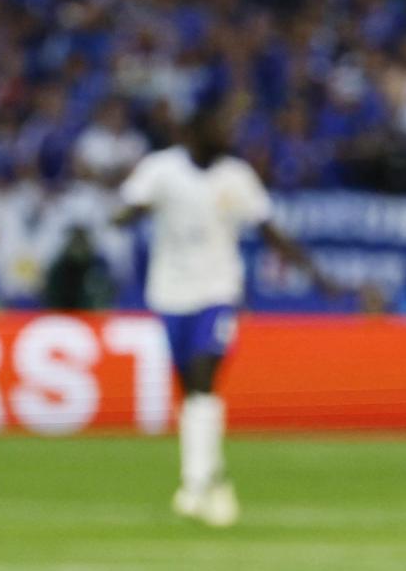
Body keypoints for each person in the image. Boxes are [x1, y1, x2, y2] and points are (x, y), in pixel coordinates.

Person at [114, 109, 333, 527]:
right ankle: (214, 480)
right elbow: (130, 205)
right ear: (194, 131)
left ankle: (193, 484)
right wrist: (124, 214)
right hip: (170, 293)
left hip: (218, 292)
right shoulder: (162, 169)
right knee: (191, 389)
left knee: (203, 378)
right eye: (218, 126)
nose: (225, 133)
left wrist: (316, 274)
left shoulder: (236, 176)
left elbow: (269, 229)